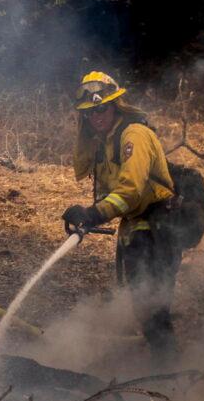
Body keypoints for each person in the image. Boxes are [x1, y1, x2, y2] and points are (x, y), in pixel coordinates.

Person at [62, 71, 181, 360]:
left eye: (101, 108)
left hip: (160, 225)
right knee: (143, 302)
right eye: (89, 113)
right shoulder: (105, 142)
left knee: (153, 303)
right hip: (137, 225)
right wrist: (87, 213)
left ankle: (170, 369)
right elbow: (103, 186)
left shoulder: (134, 136)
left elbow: (130, 191)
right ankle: (162, 358)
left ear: (115, 105)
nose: (96, 117)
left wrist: (94, 214)